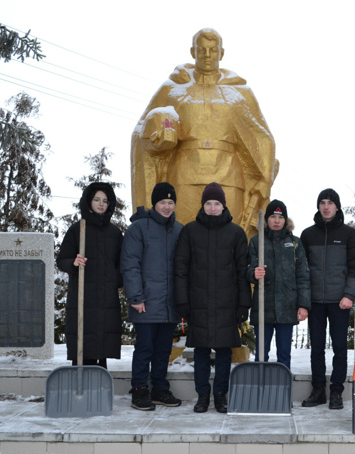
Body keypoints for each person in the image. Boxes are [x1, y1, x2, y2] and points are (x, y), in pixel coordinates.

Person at [131, 28, 278, 239]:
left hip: (229, 179)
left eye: (213, 50)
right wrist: (157, 137)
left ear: (222, 53)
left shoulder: (239, 93)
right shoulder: (173, 89)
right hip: (183, 178)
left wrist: (265, 178)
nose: (207, 56)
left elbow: (263, 137)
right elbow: (140, 132)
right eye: (202, 50)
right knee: (183, 240)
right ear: (193, 51)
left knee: (230, 240)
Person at [174, 182, 250, 414]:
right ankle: (203, 395)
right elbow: (181, 269)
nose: (213, 207)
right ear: (203, 205)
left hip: (227, 303)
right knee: (201, 352)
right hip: (199, 303)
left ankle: (220, 395)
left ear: (223, 205)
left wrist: (243, 304)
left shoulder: (236, 233)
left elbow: (242, 271)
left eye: (217, 203)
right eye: (209, 203)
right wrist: (183, 301)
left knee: (224, 351)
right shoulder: (190, 231)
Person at [121, 182, 183, 411]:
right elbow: (130, 264)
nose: (167, 207)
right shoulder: (138, 229)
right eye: (162, 202)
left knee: (163, 349)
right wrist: (136, 297)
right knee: (145, 348)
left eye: (170, 202)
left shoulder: (178, 229)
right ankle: (139, 389)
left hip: (169, 304)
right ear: (154, 204)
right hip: (145, 302)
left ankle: (159, 388)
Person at [300, 189, 355, 409]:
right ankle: (318, 390)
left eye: (330, 203)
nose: (326, 207)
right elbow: (302, 270)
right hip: (315, 302)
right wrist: (304, 301)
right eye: (322, 203)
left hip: (340, 301)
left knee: (339, 348)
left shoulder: (349, 234)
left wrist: (349, 295)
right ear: (318, 206)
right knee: (316, 347)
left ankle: (336, 391)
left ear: (337, 207)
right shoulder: (308, 235)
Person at [56, 183, 123, 368]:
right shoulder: (77, 229)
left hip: (106, 299)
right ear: (88, 201)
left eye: (105, 201)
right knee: (82, 346)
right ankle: (81, 387)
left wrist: (114, 280)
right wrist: (73, 262)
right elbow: (62, 259)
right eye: (97, 200)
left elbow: (122, 264)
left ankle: (99, 386)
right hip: (82, 298)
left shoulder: (115, 233)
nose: (101, 204)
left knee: (102, 346)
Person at [247, 200, 311, 368]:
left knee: (284, 353)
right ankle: (260, 387)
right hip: (263, 305)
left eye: (280, 217)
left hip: (287, 306)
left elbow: (303, 275)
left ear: (285, 220)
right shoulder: (256, 241)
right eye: (273, 217)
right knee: (261, 354)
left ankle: (282, 390)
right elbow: (247, 268)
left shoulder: (295, 243)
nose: (276, 221)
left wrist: (303, 305)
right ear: (266, 220)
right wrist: (254, 273)